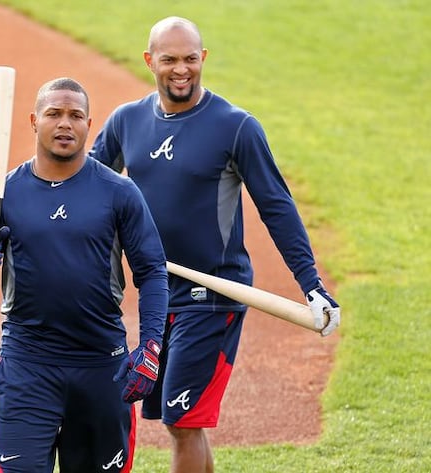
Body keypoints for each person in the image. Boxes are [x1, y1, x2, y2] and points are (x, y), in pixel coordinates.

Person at [90, 16, 341, 473]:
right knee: (180, 422)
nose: (181, 69)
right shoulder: (127, 121)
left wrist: (311, 283)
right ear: (150, 62)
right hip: (157, 294)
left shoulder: (235, 127)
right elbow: (86, 181)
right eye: (169, 60)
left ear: (202, 59)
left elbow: (277, 207)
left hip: (215, 297)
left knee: (183, 420)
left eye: (190, 59)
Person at [0, 77, 169, 473]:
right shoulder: (2, 193)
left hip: (102, 367)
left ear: (90, 124)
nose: (65, 124)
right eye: (54, 114)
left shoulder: (119, 192)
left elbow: (152, 271)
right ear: (35, 121)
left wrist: (152, 346)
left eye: (75, 116)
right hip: (27, 366)